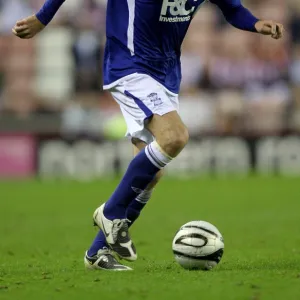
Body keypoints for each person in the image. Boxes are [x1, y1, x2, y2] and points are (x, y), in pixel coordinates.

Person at [12, 0, 284, 271]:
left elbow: (232, 9)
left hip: (165, 74)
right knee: (174, 137)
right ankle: (110, 212)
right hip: (130, 65)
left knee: (151, 174)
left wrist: (256, 24)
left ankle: (97, 253)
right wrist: (42, 18)